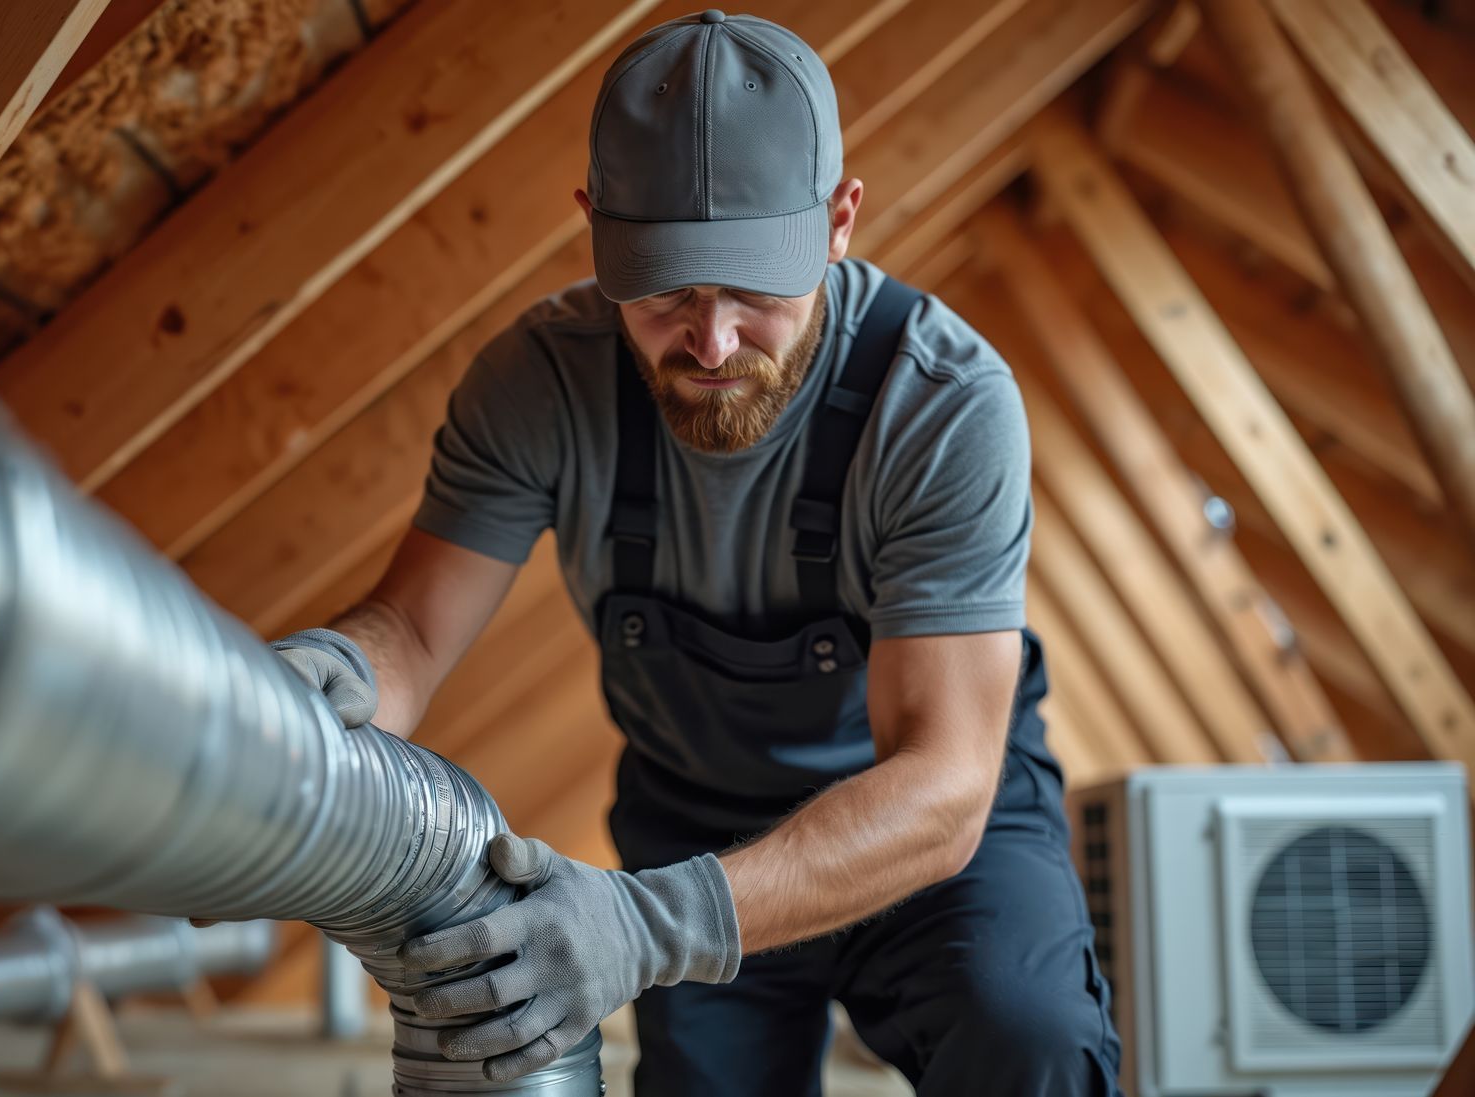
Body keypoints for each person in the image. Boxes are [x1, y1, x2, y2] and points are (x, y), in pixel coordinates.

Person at [272, 10, 1121, 1095]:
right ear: (594, 227)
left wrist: (643, 923)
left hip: (923, 825)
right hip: (697, 819)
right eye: (666, 289)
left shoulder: (943, 405)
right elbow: (413, 632)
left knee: (1028, 1038)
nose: (711, 345)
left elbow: (946, 779)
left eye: (756, 292)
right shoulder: (537, 385)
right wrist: (336, 677)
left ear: (839, 221)